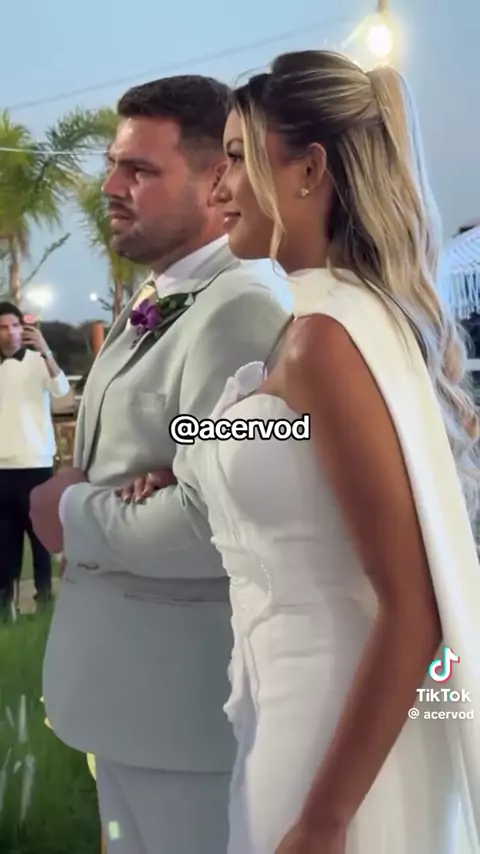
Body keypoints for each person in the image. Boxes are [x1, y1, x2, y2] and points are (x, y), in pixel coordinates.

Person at [76, 51, 480, 852]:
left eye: (235, 156)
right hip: (286, 704)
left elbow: (413, 605)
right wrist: (197, 454)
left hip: (332, 723)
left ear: (309, 170)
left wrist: (326, 819)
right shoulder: (320, 324)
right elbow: (302, 439)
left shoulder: (327, 339)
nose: (220, 184)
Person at [30, 75, 287, 854]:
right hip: (128, 699)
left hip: (186, 715)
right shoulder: (160, 295)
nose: (111, 186)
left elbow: (218, 520)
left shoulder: (241, 308)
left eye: (139, 169)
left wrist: (70, 511)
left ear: (217, 179)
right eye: (113, 165)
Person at [0, 302, 70, 613]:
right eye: (3, 327)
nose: (10, 333)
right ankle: (6, 603)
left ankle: (44, 597)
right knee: (5, 541)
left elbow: (61, 388)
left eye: (15, 326)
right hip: (2, 467)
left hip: (36, 463)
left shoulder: (37, 361)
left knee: (40, 537)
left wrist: (46, 351)